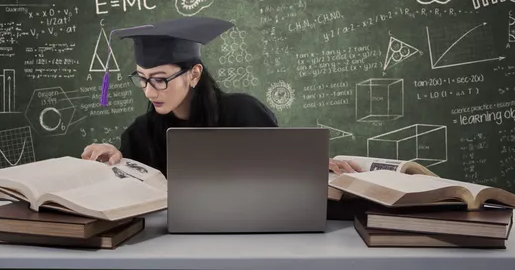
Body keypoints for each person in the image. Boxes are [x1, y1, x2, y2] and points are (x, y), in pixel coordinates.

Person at [81, 16, 361, 176]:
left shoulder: (243, 113)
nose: (149, 91)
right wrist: (116, 160)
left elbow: (282, 168)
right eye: (141, 79)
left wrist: (307, 167)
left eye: (160, 79)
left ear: (193, 74)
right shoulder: (140, 133)